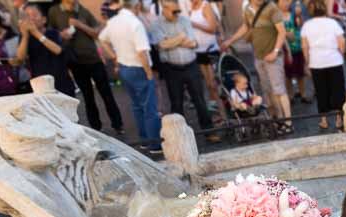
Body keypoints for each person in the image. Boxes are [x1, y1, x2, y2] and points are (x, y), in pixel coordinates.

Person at [49, 0, 125, 135]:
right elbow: (50, 33)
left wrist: (80, 25)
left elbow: (96, 33)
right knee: (88, 96)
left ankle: (118, 124)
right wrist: (61, 35)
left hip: (93, 59)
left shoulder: (83, 10)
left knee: (107, 94)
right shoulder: (54, 12)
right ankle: (96, 128)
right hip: (75, 61)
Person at [150, 0, 221, 142]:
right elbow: (162, 45)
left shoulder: (184, 20)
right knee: (176, 103)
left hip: (191, 65)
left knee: (200, 100)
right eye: (174, 11)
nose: (177, 14)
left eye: (178, 10)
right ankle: (180, 137)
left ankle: (209, 131)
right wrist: (181, 38)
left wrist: (172, 41)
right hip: (172, 68)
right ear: (165, 9)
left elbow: (193, 42)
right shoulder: (157, 24)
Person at [221, 0, 294, 132]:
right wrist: (230, 41)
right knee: (269, 91)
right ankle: (279, 119)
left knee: (279, 91)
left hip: (274, 57)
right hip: (259, 57)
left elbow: (282, 32)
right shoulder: (248, 9)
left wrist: (275, 52)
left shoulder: (272, 8)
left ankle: (288, 124)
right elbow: (246, 27)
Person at [99, 0, 161, 153]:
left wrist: (114, 57)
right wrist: (149, 73)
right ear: (137, 6)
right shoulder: (135, 23)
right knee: (150, 108)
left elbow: (102, 38)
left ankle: (145, 141)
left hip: (124, 67)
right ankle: (155, 144)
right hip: (139, 68)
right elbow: (142, 52)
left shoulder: (113, 21)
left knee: (137, 106)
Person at [301, 0, 345, 129]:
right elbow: (341, 42)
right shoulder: (333, 23)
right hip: (334, 60)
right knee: (338, 90)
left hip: (316, 62)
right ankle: (338, 118)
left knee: (321, 91)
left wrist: (307, 62)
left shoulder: (307, 25)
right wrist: (340, 55)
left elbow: (305, 46)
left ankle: (324, 120)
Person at [16, 2, 75, 96]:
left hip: (61, 81)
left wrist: (35, 32)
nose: (31, 19)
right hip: (42, 86)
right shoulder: (25, 37)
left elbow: (58, 50)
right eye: (27, 16)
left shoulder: (53, 33)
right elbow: (20, 58)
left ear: (44, 19)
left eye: (34, 15)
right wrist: (25, 37)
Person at [188, 0, 221, 114]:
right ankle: (215, 109)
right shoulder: (192, 7)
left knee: (214, 83)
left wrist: (194, 24)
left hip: (210, 49)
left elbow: (213, 29)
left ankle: (222, 111)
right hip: (198, 50)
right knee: (207, 83)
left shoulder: (205, 6)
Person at [281, 0, 309, 102]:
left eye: (287, 1)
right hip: (285, 48)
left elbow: (300, 25)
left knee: (300, 73)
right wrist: (286, 34)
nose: (286, 3)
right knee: (288, 74)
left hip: (297, 46)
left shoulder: (293, 14)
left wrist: (299, 16)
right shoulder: (276, 16)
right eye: (283, 1)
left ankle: (303, 94)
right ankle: (290, 95)